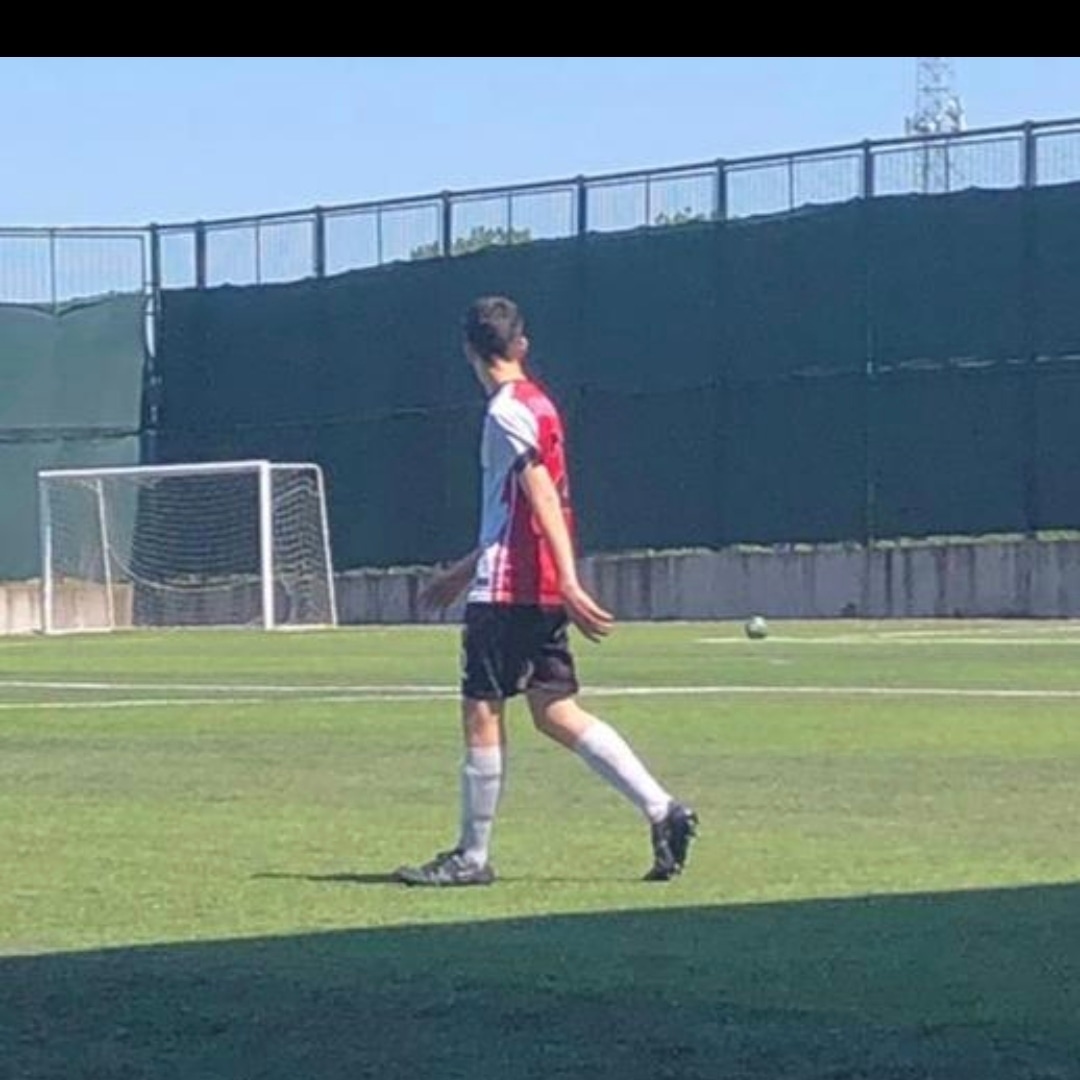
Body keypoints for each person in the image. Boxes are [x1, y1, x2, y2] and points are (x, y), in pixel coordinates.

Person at [394, 295, 697, 887]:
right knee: (555, 711)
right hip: (529, 584)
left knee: (482, 711)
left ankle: (472, 857)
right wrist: (467, 570)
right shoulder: (540, 404)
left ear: (469, 351)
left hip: (509, 590)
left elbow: (539, 496)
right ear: (521, 345)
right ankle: (664, 810)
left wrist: (569, 578)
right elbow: (518, 511)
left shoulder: (505, 410)